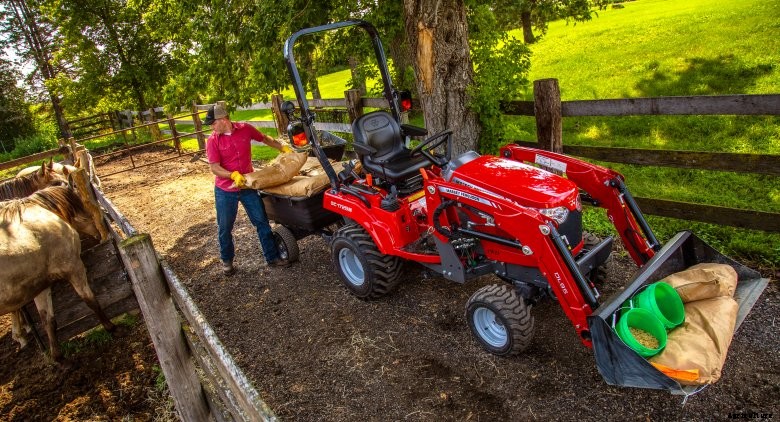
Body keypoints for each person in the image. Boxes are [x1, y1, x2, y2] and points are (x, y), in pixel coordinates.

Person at [205, 102, 292, 275]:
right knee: (225, 227)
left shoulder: (245, 129)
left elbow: (265, 138)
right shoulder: (212, 141)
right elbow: (214, 167)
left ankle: (272, 257)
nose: (212, 127)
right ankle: (227, 261)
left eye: (213, 123)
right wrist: (232, 175)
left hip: (247, 185)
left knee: (261, 221)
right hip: (225, 190)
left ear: (223, 119)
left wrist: (282, 147)